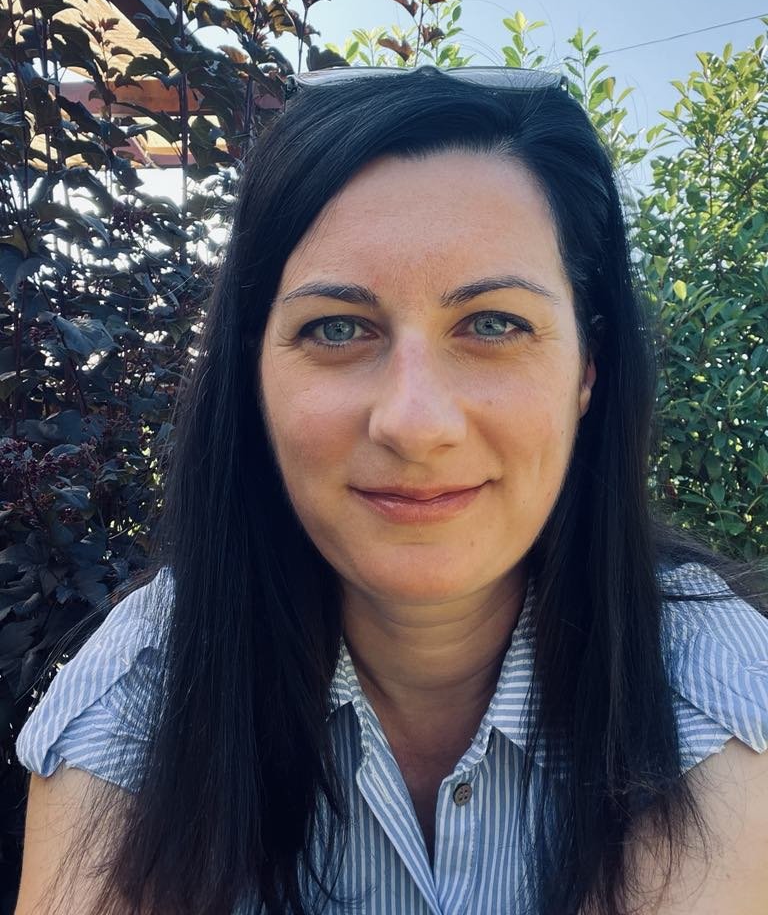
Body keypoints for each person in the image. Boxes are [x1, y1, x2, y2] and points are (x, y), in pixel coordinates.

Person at [13, 67, 768, 915]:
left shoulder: (710, 684)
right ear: (253, 372)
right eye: (337, 328)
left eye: (494, 324)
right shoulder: (150, 680)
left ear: (587, 372)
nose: (414, 423)